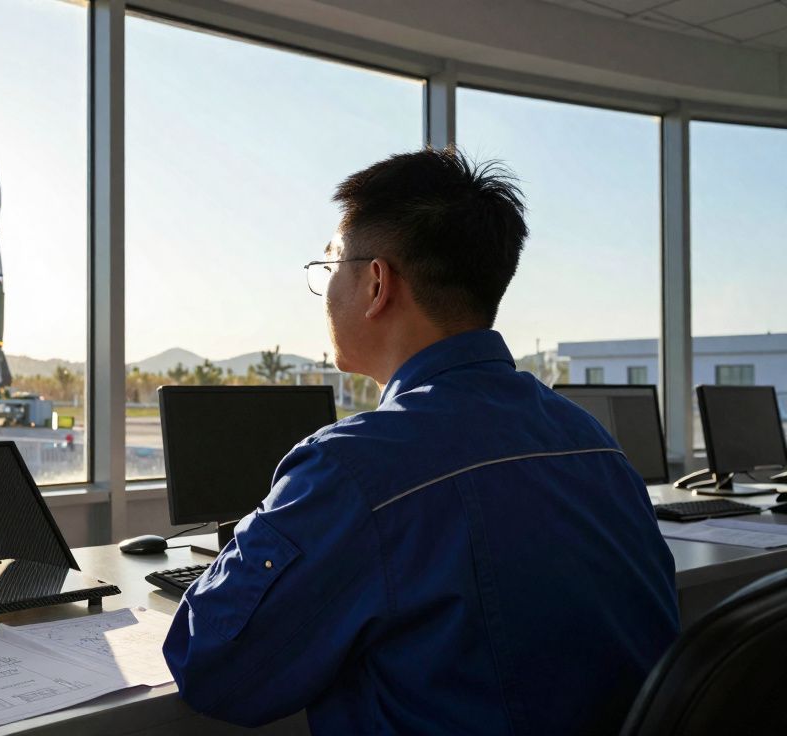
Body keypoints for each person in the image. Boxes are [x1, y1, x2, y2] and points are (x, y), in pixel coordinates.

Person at [162, 148, 678, 734]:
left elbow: (213, 665)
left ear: (377, 283)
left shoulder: (355, 468)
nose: (325, 289)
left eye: (329, 267)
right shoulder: (592, 441)